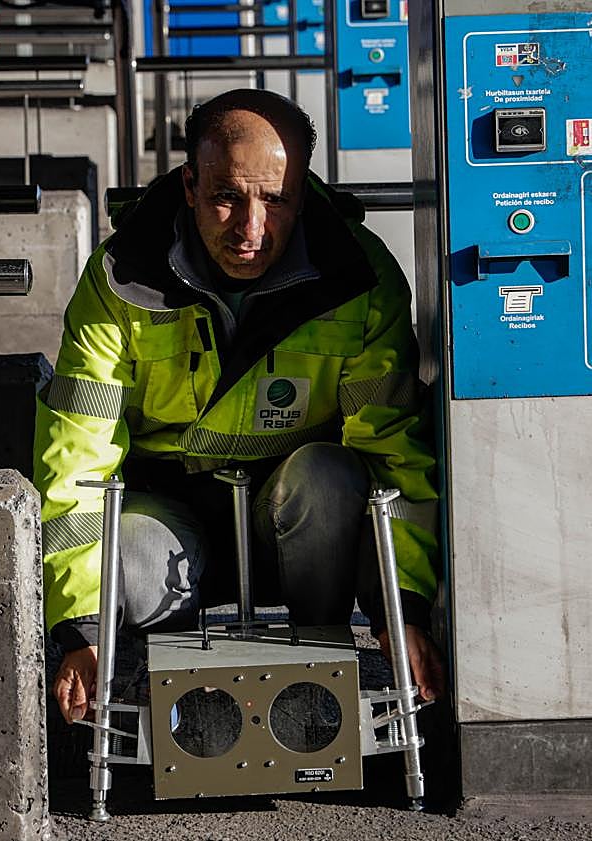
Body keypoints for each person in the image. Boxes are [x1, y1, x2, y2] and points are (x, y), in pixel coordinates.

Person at [33, 88, 444, 726]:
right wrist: (82, 629)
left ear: (302, 194)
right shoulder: (120, 278)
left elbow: (395, 450)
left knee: (330, 477)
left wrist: (404, 608)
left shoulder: (358, 281)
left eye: (275, 200)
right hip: (166, 512)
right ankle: (172, 701)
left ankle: (315, 688)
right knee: (129, 553)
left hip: (296, 523)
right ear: (190, 185)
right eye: (227, 196)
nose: (250, 229)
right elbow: (77, 456)